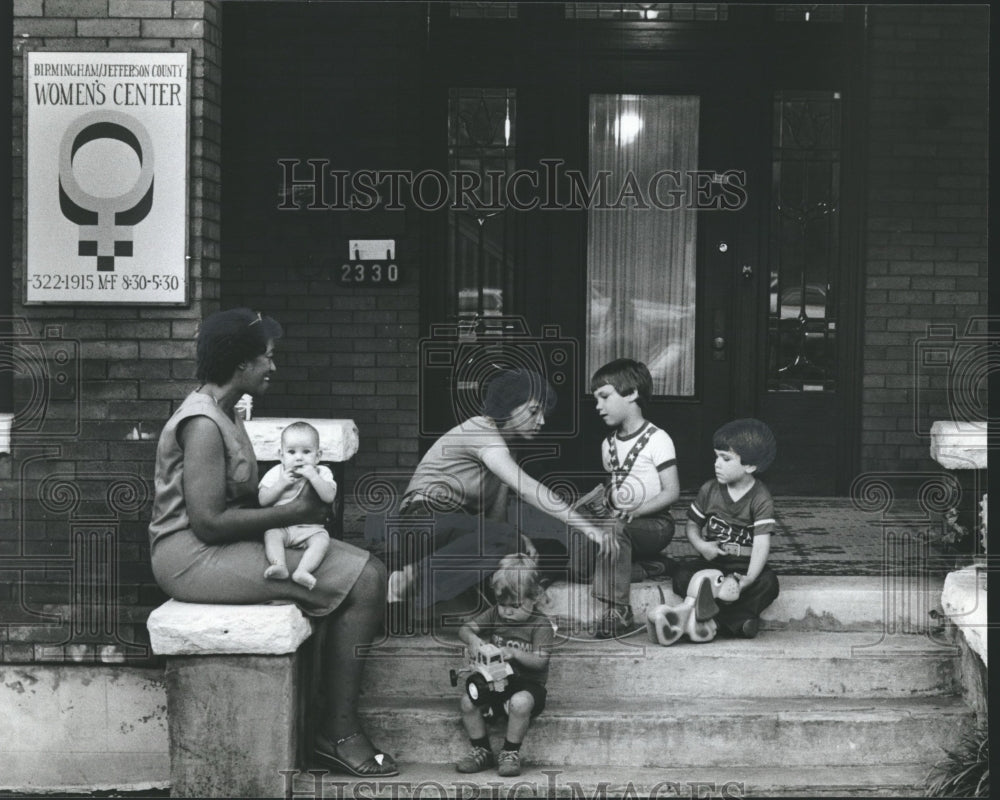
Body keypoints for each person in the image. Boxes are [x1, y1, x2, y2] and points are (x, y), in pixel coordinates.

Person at [148, 307, 398, 777]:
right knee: (365, 580)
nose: (274, 366)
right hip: (191, 558)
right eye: (267, 357)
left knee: (366, 570)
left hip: (223, 547)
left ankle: (324, 724)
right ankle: (338, 732)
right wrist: (295, 513)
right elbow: (206, 523)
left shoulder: (225, 411)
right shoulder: (202, 423)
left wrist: (296, 509)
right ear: (241, 364)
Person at [386, 368, 614, 630]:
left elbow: (495, 518)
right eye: (533, 411)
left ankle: (512, 599)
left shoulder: (508, 447)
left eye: (543, 414)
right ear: (509, 406)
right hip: (423, 522)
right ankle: (408, 581)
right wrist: (589, 529)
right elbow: (528, 488)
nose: (541, 421)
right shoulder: (480, 429)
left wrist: (516, 544)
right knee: (510, 540)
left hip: (458, 532)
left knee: (551, 550)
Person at [586, 358, 680, 638]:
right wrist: (602, 502)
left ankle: (618, 610)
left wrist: (637, 511)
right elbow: (614, 484)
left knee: (615, 532)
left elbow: (672, 491)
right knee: (580, 551)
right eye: (596, 400)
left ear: (631, 394)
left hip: (654, 524)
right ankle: (653, 567)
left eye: (604, 397)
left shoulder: (657, 439)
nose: (598, 406)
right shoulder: (608, 444)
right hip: (621, 524)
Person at [672, 418, 780, 638]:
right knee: (682, 576)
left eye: (725, 458)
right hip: (713, 562)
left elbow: (761, 544)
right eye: (716, 456)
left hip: (743, 565)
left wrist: (749, 578)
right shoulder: (709, 489)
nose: (716, 464)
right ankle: (738, 623)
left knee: (769, 583)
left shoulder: (760, 498)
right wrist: (701, 545)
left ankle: (715, 620)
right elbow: (692, 525)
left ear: (750, 466)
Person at [454, 553, 553, 778]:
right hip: (496, 681)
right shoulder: (494, 615)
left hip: (528, 686)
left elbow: (540, 662)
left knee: (520, 702)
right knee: (467, 702)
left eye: (515, 606)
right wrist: (473, 640)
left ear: (535, 596)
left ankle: (509, 753)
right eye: (502, 604)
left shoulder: (541, 625)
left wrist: (514, 653)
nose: (507, 611)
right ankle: (481, 749)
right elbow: (464, 629)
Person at [259, 421, 337, 590]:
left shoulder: (322, 472)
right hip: (282, 527)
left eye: (307, 452)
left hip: (310, 529)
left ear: (317, 456)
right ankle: (279, 565)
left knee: (322, 540)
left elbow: (329, 496)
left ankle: (303, 570)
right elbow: (263, 500)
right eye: (291, 452)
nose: (299, 457)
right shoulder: (276, 472)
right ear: (281, 455)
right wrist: (281, 484)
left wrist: (314, 477)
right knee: (270, 534)